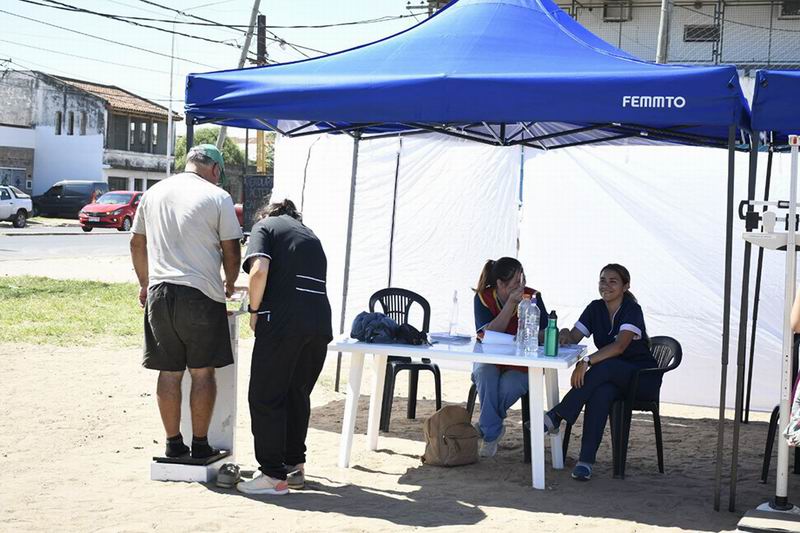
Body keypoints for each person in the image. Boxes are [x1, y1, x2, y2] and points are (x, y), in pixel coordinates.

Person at [130, 144, 242, 460]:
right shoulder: (218, 197)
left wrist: (144, 283)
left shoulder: (154, 192)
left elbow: (137, 243)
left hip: (160, 293)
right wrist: (230, 283)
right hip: (201, 294)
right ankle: (202, 444)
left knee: (169, 372)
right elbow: (231, 249)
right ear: (216, 170)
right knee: (203, 372)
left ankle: (172, 442)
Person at [236, 199, 332, 496]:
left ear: (267, 214)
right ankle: (294, 467)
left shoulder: (265, 227)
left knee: (266, 395)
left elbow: (259, 271)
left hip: (282, 323)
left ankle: (272, 476)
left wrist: (253, 312)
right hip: (319, 325)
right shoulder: (310, 235)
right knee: (296, 394)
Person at [546, 263, 659, 481]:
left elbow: (619, 348)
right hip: (612, 380)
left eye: (613, 281)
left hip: (640, 378)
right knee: (601, 393)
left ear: (626, 286)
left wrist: (586, 361)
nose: (605, 285)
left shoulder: (632, 310)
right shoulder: (595, 308)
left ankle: (558, 414)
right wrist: (563, 334)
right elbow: (574, 337)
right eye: (602, 280)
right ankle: (585, 462)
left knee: (604, 366)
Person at [472, 257, 548, 458]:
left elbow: (545, 333)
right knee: (483, 373)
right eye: (515, 282)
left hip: (522, 363)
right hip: (491, 358)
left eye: (521, 280)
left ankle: (488, 428)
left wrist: (533, 334)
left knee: (509, 385)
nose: (520, 286)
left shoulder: (533, 296)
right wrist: (510, 305)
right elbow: (487, 334)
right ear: (500, 284)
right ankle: (492, 429)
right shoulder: (483, 297)